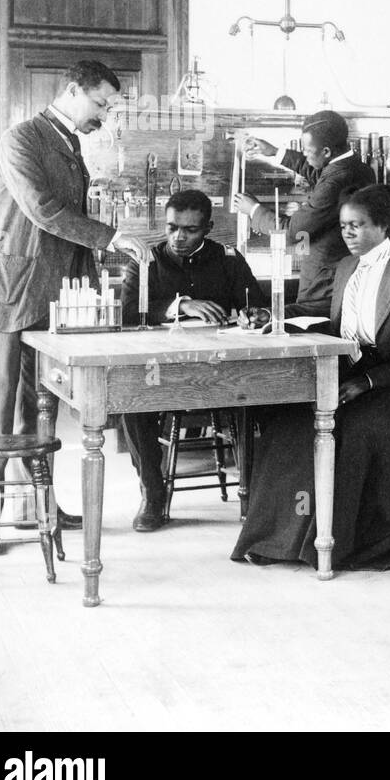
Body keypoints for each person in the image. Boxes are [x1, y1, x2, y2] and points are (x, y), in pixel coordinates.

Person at [0, 60, 151, 556]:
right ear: (71, 90)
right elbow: (43, 211)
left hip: (50, 296)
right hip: (7, 290)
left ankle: (34, 505)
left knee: (38, 407)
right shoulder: (21, 138)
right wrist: (112, 237)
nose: (104, 116)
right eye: (100, 104)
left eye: (109, 107)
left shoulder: (69, 144)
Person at [232, 185, 390, 570]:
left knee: (353, 428)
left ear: (383, 226)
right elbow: (329, 316)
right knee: (289, 421)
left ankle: (334, 543)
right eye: (343, 226)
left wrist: (369, 382)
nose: (348, 234)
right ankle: (281, 540)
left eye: (357, 226)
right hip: (351, 373)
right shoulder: (345, 268)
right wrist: (273, 316)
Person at [117, 190, 264, 532]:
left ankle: (253, 494)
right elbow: (126, 315)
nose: (178, 237)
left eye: (190, 230)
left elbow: (255, 304)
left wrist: (253, 316)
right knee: (132, 404)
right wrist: (179, 305)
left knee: (258, 394)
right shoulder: (146, 261)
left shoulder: (228, 258)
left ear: (208, 228)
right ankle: (153, 493)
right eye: (171, 228)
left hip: (220, 367)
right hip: (162, 369)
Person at [235, 110, 375, 306]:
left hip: (324, 286)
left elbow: (293, 231)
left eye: (308, 151)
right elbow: (321, 173)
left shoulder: (334, 182)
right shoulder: (357, 169)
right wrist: (276, 152)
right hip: (343, 278)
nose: (305, 156)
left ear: (326, 152)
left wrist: (253, 210)